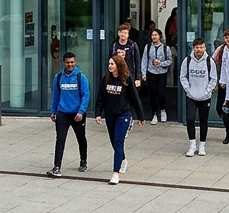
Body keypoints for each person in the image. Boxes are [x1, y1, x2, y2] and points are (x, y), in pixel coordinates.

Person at [94, 54, 144, 184]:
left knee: (118, 141)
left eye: (112, 64)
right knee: (114, 142)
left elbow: (135, 98)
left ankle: (115, 173)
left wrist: (141, 116)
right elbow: (101, 97)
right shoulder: (106, 79)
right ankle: (123, 160)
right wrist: (98, 113)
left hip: (123, 114)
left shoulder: (127, 79)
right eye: (109, 64)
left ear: (118, 65)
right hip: (110, 114)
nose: (110, 66)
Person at [48, 52, 90, 176]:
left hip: (77, 114)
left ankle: (83, 161)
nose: (70, 64)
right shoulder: (59, 77)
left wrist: (81, 112)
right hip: (62, 113)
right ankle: (57, 167)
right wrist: (53, 111)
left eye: (72, 62)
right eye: (67, 62)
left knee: (81, 138)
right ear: (64, 63)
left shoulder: (81, 77)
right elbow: (56, 95)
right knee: (60, 139)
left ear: (75, 62)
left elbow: (86, 95)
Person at [179, 38, 217, 157]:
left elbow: (214, 78)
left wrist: (207, 91)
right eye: (197, 47)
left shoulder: (209, 61)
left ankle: (202, 145)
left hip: (205, 97)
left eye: (201, 47)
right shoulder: (188, 60)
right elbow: (183, 76)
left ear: (205, 48)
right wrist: (188, 89)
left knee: (203, 121)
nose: (199, 50)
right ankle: (192, 145)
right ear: (193, 48)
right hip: (191, 96)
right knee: (190, 119)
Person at [141, 29, 173, 124]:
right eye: (152, 35)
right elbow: (144, 60)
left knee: (161, 93)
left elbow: (170, 60)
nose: (154, 37)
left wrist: (161, 63)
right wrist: (143, 73)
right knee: (152, 94)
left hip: (162, 73)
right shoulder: (148, 47)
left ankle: (163, 110)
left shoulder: (165, 48)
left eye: (156, 35)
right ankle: (154, 113)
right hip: (151, 73)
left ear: (160, 36)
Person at [212, 29, 229, 144]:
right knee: (220, 108)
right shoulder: (221, 49)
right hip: (224, 82)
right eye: (226, 37)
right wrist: (215, 81)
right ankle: (228, 130)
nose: (228, 39)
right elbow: (213, 62)